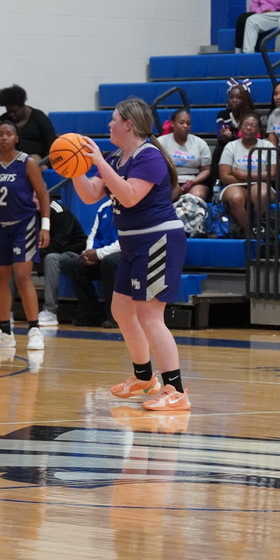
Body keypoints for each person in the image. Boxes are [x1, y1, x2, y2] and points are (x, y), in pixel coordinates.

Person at [71, 98, 191, 412]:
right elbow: (89, 194)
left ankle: (176, 390)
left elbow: (131, 196)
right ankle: (143, 377)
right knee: (122, 310)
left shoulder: (148, 155)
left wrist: (99, 163)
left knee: (150, 316)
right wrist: (72, 168)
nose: (109, 125)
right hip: (132, 244)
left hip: (158, 241)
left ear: (129, 124)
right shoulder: (118, 156)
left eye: (113, 119)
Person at [0, 119, 51, 351]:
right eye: (0, 134)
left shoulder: (27, 163)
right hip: (0, 227)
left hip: (24, 225)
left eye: (8, 134)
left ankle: (35, 330)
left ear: (16, 138)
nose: (4, 137)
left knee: (22, 276)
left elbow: (43, 195)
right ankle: (5, 332)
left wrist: (44, 226)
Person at [61, 199, 121, 327]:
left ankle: (115, 316)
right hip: (102, 255)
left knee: (109, 261)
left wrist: (99, 254)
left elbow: (126, 240)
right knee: (75, 264)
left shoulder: (132, 206)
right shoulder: (104, 208)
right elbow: (93, 235)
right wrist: (88, 253)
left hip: (126, 256)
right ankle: (93, 315)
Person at [218, 113, 277, 236]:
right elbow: (225, 175)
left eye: (253, 125)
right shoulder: (231, 146)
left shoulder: (267, 146)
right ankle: (249, 233)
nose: (249, 128)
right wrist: (246, 181)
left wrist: (244, 175)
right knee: (236, 198)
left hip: (260, 184)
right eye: (245, 125)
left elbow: (272, 174)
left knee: (261, 194)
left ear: (259, 129)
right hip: (234, 184)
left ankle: (260, 228)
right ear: (240, 127)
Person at [35, 200, 87, 327]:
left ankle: (50, 311)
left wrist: (31, 252)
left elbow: (58, 246)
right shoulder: (28, 211)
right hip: (43, 252)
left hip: (72, 253)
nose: (33, 200)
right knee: (15, 261)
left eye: (37, 197)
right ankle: (7, 312)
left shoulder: (59, 211)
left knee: (51, 258)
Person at [158, 109, 211, 202]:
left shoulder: (200, 143)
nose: (185, 126)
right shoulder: (161, 142)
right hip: (168, 180)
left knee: (197, 195)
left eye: (188, 123)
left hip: (194, 181)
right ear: (173, 124)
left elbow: (206, 170)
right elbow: (156, 167)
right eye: (181, 123)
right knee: (171, 194)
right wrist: (173, 182)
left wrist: (193, 182)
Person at [210, 83, 256, 185]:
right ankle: (217, 184)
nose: (234, 100)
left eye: (239, 97)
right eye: (231, 97)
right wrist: (225, 137)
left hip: (248, 146)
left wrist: (235, 137)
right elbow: (220, 137)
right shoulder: (222, 115)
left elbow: (257, 136)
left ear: (246, 99)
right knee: (220, 148)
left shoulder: (253, 115)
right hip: (228, 147)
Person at [0, 84, 56, 161]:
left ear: (22, 105)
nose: (11, 115)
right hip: (12, 158)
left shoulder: (39, 117)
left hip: (37, 158)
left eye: (14, 111)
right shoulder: (4, 120)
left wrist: (46, 163)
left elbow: (51, 141)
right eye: (9, 112)